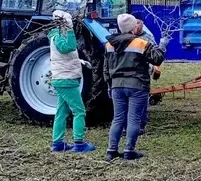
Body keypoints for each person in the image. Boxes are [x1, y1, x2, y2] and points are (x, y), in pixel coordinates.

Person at [103, 13, 169, 161]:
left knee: (118, 119)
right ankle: (128, 151)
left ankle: (111, 151)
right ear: (134, 27)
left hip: (116, 86)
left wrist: (109, 86)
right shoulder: (140, 43)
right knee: (133, 119)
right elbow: (157, 58)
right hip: (137, 86)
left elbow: (105, 69)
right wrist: (163, 45)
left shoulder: (108, 45)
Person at [48, 10, 96, 153]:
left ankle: (58, 143)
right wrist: (69, 30)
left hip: (63, 78)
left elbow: (64, 55)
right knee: (79, 111)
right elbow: (68, 47)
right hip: (66, 79)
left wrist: (79, 61)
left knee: (62, 112)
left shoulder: (56, 35)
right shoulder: (60, 36)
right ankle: (79, 143)